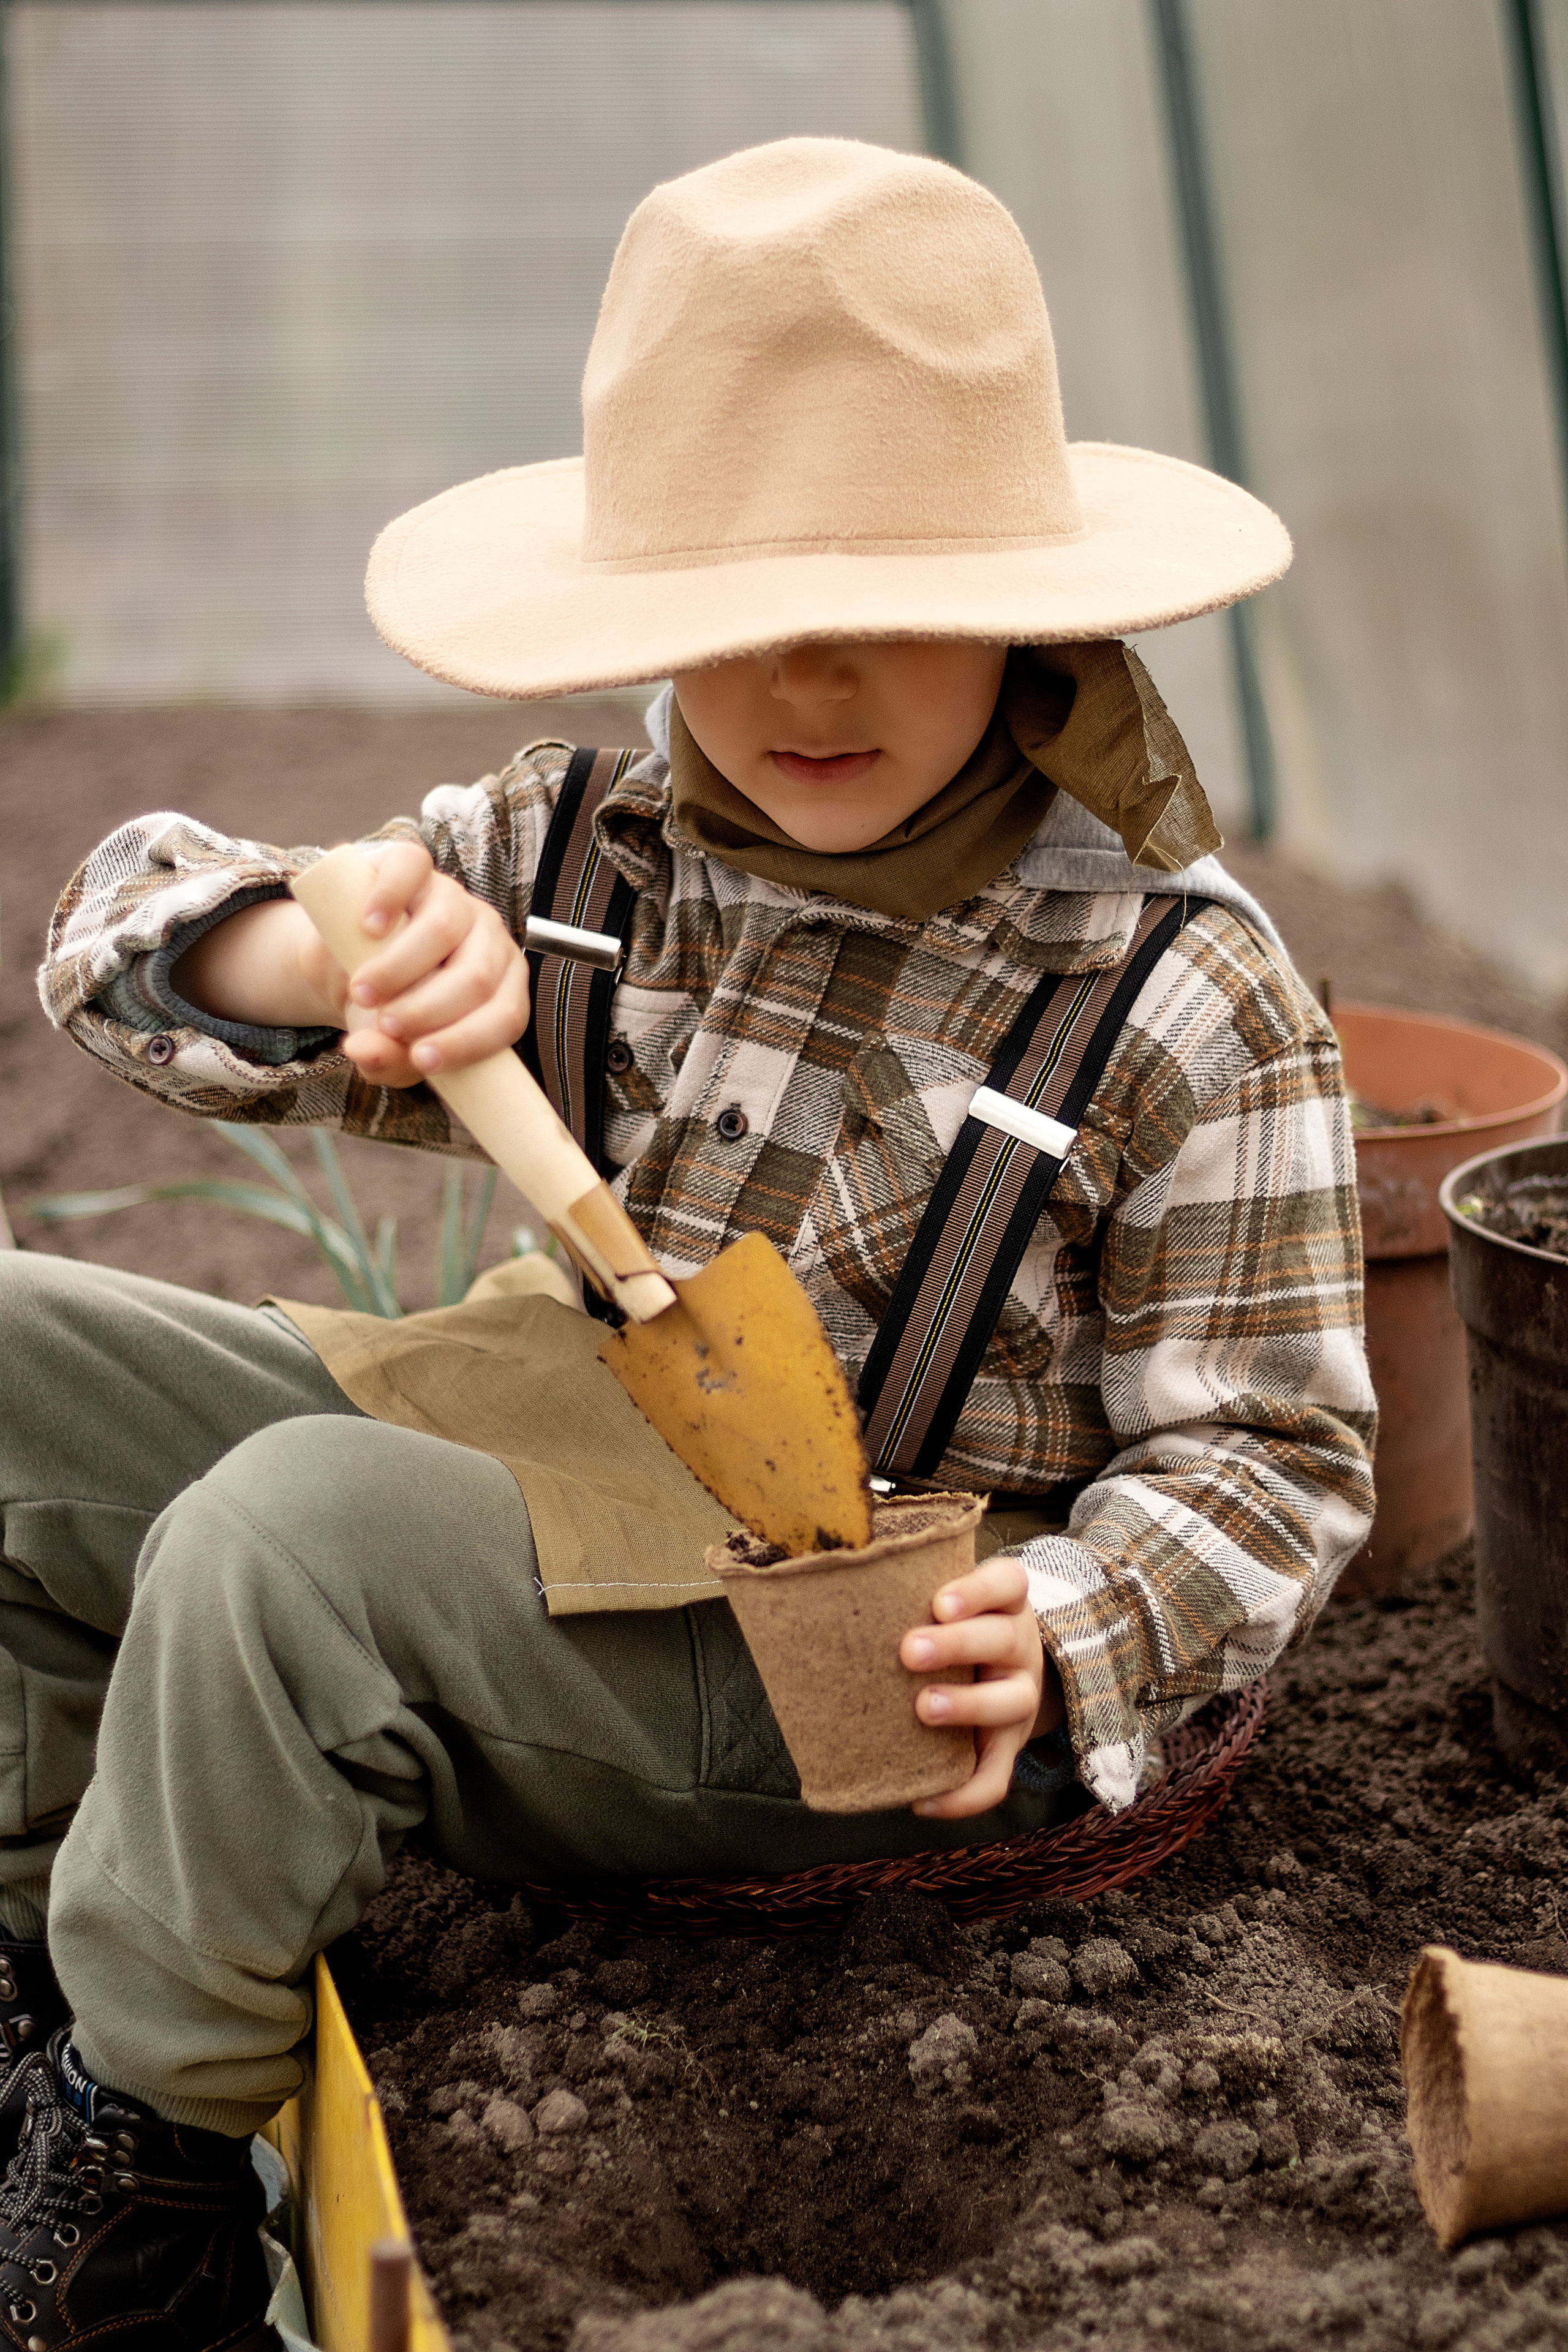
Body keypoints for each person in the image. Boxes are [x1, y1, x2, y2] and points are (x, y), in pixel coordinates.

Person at [0, 138, 1374, 2346]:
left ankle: (139, 2175)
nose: (807, 679)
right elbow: (111, 937)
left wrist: (1080, 1615)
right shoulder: (580, 856)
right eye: (733, 613)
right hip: (586, 1471)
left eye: (889, 604)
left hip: (881, 1655)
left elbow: (1282, 1462)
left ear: (1031, 603)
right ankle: (44, 1950)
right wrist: (301, 957)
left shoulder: (1182, 999)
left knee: (286, 1540)